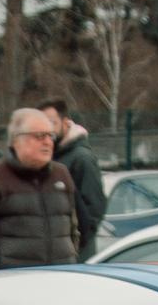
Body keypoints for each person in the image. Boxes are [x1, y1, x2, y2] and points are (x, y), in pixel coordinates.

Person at [0, 106, 82, 269]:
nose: (47, 142)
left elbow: (73, 229)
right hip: (12, 284)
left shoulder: (62, 174)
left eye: (50, 135)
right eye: (39, 136)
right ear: (16, 140)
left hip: (60, 278)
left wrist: (70, 257)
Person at [43, 91, 109, 246]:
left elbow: (94, 209)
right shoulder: (50, 156)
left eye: (51, 123)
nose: (47, 130)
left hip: (75, 253)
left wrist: (75, 243)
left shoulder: (81, 159)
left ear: (66, 123)